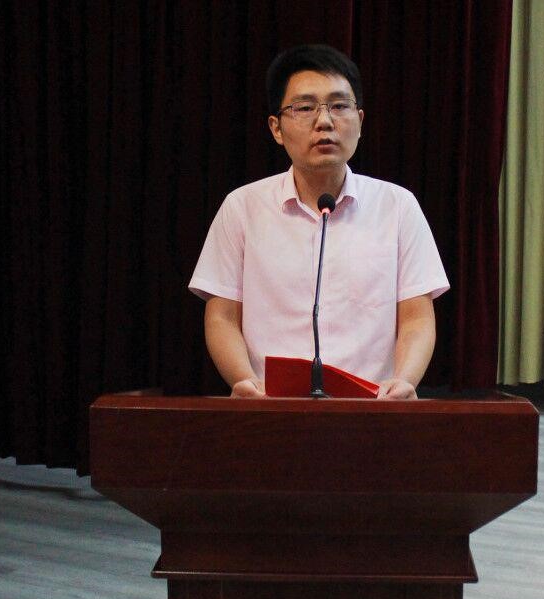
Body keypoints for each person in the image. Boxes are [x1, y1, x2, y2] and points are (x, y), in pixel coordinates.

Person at [189, 44, 449, 399]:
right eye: (305, 107)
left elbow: (417, 317)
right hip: (271, 408)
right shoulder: (242, 207)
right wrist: (245, 382)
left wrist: (405, 381)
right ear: (276, 128)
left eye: (339, 106)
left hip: (372, 408)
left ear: (360, 121)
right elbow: (222, 316)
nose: (324, 121)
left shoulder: (398, 206)